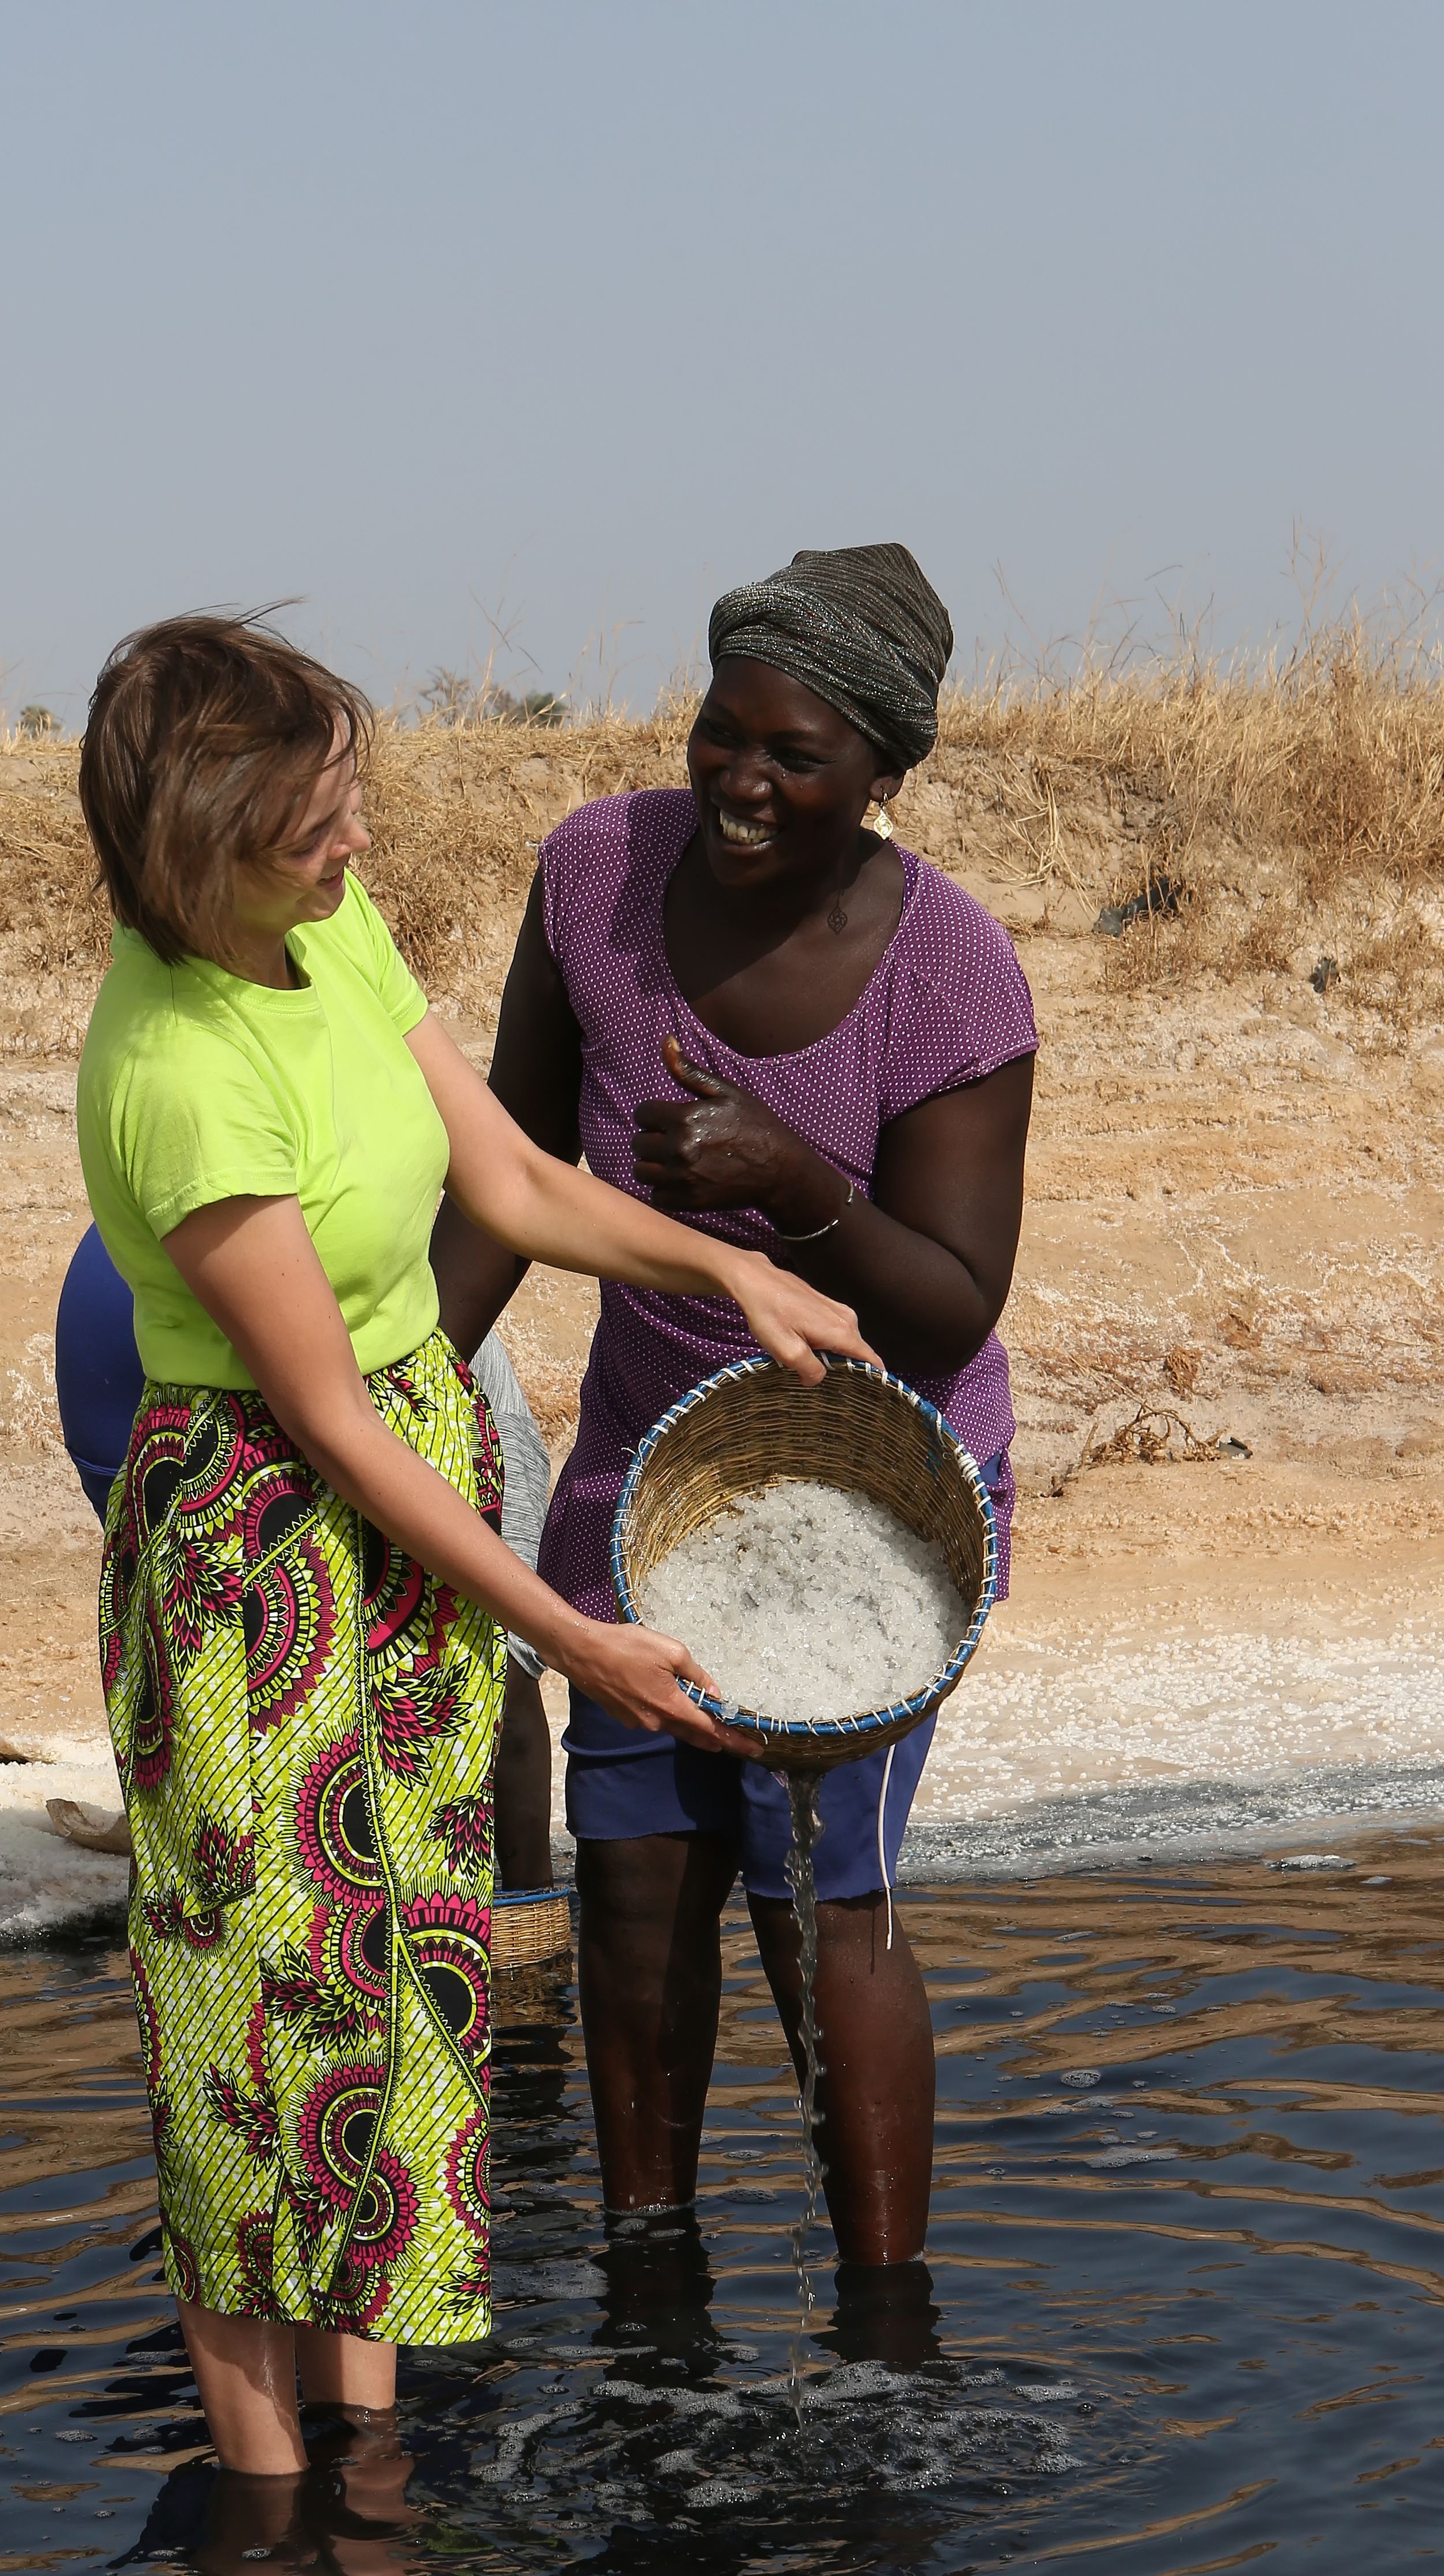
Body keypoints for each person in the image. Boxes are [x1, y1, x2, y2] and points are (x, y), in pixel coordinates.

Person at [74, 613, 869, 2486]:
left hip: (410, 1487)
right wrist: (577, 1641)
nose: (354, 845)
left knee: (400, 1978)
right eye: (312, 820)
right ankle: (279, 2522)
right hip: (258, 1544)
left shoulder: (324, 932)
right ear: (203, 838)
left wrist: (727, 1262)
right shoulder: (176, 1070)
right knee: (263, 2009)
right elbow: (323, 1426)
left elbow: (505, 1179)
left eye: (348, 802)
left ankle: (374, 2456)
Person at [431, 543, 1035, 2281]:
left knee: (824, 1894)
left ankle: (882, 2313)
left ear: (883, 780)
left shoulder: (948, 975)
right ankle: (650, 2288)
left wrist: (790, 1184)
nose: (742, 786)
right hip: (646, 1457)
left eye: (796, 759)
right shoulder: (593, 878)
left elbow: (943, 1309)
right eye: (721, 736)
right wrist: (413, 1393)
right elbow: (508, 1174)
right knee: (633, 1881)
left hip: (877, 1490)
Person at [50, 1223, 559, 1888]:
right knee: (483, 1662)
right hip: (274, 1359)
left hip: (141, 1359)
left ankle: (516, 1903)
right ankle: (524, 1908)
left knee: (215, 1653)